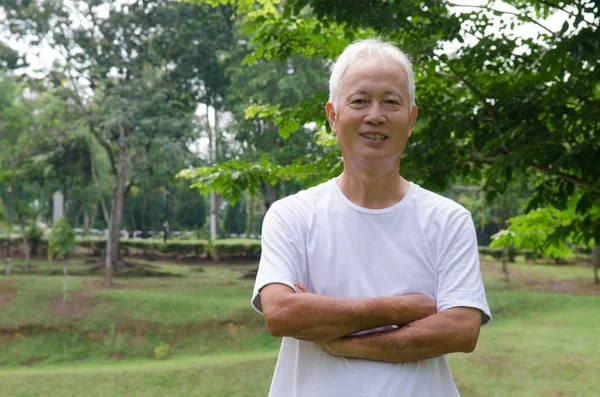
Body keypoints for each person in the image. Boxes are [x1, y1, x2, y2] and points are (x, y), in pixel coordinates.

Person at [251, 38, 492, 397]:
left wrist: (344, 341)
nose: (375, 115)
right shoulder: (292, 215)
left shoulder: (447, 220)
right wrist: (404, 308)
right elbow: (282, 314)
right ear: (333, 116)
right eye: (360, 101)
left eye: (391, 102)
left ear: (410, 119)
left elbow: (460, 329)